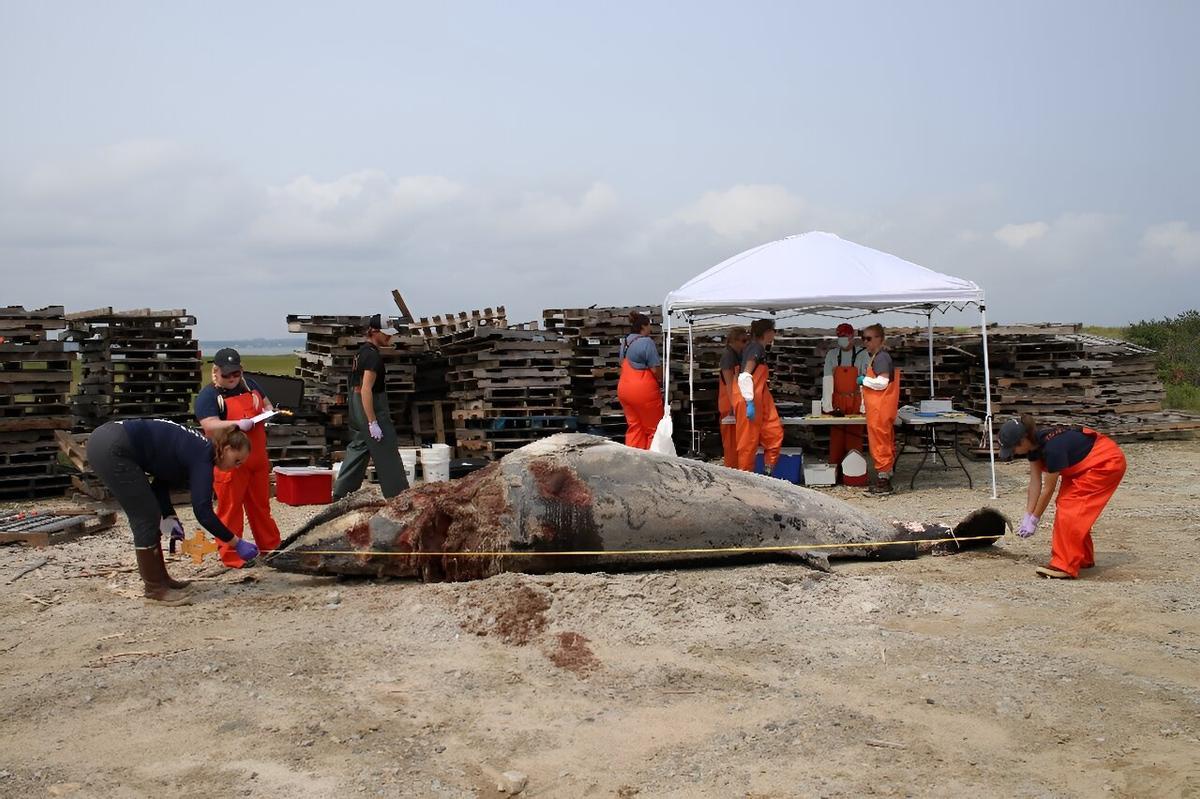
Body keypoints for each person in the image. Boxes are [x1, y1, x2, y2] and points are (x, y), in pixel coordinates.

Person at [86, 419, 257, 605]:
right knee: (145, 517)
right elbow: (203, 512)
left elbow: (160, 484)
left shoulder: (195, 448)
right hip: (113, 448)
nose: (237, 466)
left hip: (108, 439)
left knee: (151, 513)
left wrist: (170, 518)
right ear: (225, 449)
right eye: (236, 460)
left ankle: (161, 580)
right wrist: (236, 542)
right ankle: (154, 589)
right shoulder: (203, 457)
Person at [999, 416, 1127, 579]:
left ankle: (1064, 565)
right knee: (1067, 504)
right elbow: (1035, 483)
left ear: (1023, 440)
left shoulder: (1053, 448)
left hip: (1105, 462)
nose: (1013, 453)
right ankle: (1082, 557)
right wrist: (1027, 515)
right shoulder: (1033, 447)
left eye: (1013, 448)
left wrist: (1035, 520)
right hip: (1083, 466)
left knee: (1070, 507)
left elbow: (1048, 488)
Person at [194, 348, 282, 568]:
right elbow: (209, 424)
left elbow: (267, 404)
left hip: (258, 459)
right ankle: (232, 555)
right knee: (230, 509)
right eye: (227, 375)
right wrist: (235, 425)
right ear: (216, 372)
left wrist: (268, 414)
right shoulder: (209, 396)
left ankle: (271, 548)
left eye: (236, 374)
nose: (232, 379)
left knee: (261, 507)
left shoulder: (252, 385)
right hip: (230, 463)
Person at [331, 314, 410, 500]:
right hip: (371, 409)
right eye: (386, 334)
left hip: (356, 409)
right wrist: (373, 421)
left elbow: (355, 387)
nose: (390, 337)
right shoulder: (372, 357)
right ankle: (399, 497)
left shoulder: (360, 353)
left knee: (359, 447)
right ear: (374, 331)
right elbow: (366, 389)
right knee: (386, 449)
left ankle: (341, 494)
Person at [734, 318, 783, 474]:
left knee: (774, 432)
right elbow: (745, 376)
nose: (774, 335)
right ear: (767, 332)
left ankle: (768, 473)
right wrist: (749, 401)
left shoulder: (756, 348)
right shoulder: (755, 348)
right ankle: (745, 478)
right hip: (749, 398)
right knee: (748, 443)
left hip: (759, 397)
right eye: (773, 331)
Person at [822, 323, 869, 478]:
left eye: (845, 336)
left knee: (854, 438)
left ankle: (854, 474)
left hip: (856, 400)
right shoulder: (832, 355)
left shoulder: (863, 354)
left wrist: (864, 406)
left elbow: (866, 382)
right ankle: (834, 472)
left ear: (852, 337)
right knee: (836, 438)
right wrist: (828, 405)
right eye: (840, 337)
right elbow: (827, 380)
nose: (842, 340)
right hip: (837, 402)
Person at [859, 323, 900, 494]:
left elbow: (882, 383)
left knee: (880, 443)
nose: (865, 342)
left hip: (880, 407)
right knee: (885, 440)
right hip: (879, 407)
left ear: (879, 339)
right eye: (863, 338)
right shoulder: (877, 356)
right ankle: (886, 474)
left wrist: (863, 381)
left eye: (868, 338)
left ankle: (883, 481)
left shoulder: (881, 358)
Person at [616, 311, 664, 450]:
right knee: (654, 429)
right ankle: (654, 463)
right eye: (649, 325)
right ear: (643, 326)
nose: (651, 329)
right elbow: (655, 369)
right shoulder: (647, 342)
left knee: (635, 427)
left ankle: (634, 461)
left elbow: (621, 363)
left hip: (624, 389)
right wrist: (662, 380)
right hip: (643, 391)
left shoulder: (625, 342)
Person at [718, 326, 749, 467]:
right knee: (731, 443)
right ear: (735, 340)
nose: (745, 344)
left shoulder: (737, 355)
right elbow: (729, 383)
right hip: (729, 404)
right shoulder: (728, 356)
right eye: (744, 341)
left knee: (739, 440)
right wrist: (733, 406)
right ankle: (731, 469)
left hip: (735, 402)